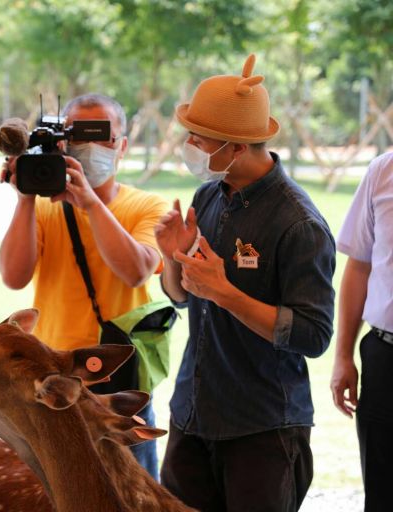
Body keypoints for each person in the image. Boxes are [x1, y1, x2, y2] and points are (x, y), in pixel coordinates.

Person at [154, 54, 335, 511]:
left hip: (262, 429)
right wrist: (174, 257)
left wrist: (225, 292)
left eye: (199, 138)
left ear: (236, 147)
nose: (189, 145)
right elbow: (182, 298)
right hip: (192, 415)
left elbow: (314, 335)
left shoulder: (299, 223)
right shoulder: (208, 194)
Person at [0, 93, 169, 480]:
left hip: (118, 383)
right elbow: (13, 276)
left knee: (130, 495)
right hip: (53, 378)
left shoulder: (146, 207)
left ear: (122, 146)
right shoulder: (44, 208)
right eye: (78, 136)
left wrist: (90, 203)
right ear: (62, 143)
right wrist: (26, 197)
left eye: (103, 137)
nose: (91, 148)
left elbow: (137, 270)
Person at [330, 151, 393, 512]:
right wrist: (342, 357)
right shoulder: (383, 170)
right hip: (385, 358)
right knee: (383, 492)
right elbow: (358, 267)